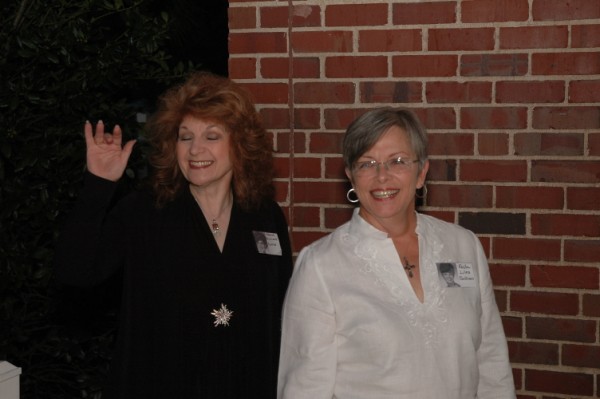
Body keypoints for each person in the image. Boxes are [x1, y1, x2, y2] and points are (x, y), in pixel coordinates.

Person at [55, 72, 293, 399]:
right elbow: (75, 272)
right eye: (185, 137)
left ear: (239, 144)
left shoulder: (265, 216)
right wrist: (98, 185)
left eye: (212, 136)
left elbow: (282, 311)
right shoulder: (145, 212)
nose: (196, 150)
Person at [277, 107, 515, 398]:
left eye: (398, 161)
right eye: (367, 164)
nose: (382, 176)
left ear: (421, 172)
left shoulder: (463, 246)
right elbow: (304, 388)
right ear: (351, 177)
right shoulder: (321, 265)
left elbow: (491, 363)